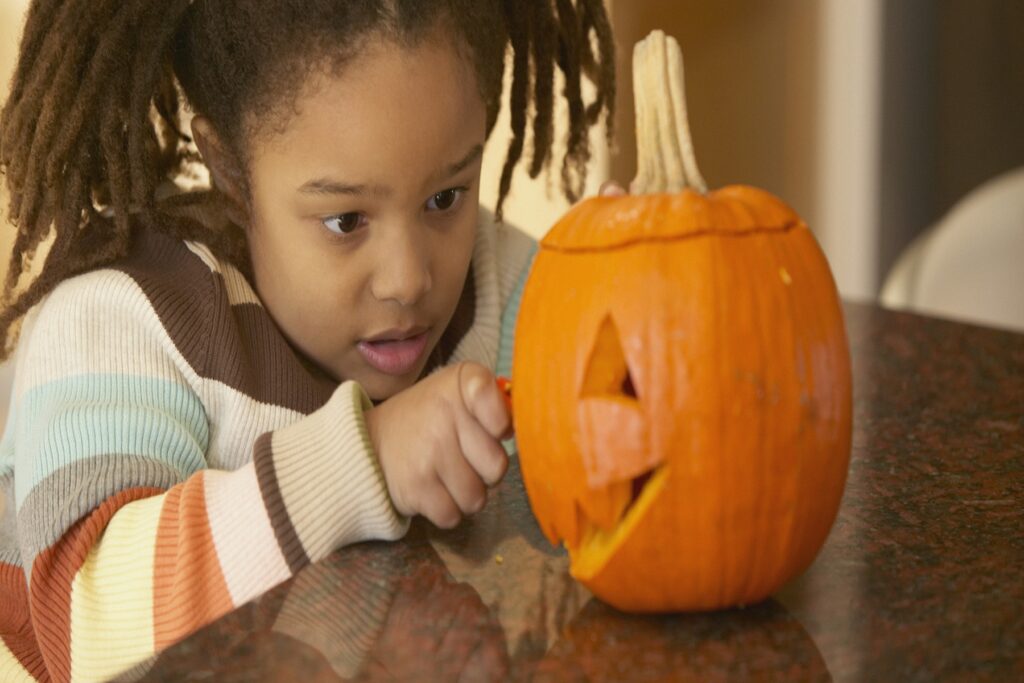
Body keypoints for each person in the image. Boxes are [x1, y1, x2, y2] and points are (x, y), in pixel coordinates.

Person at [0, 1, 616, 680]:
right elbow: (82, 628)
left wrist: (638, 289)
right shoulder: (121, 321)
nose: (408, 280)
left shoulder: (496, 287)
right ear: (231, 173)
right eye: (347, 219)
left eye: (445, 198)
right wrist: (368, 461)